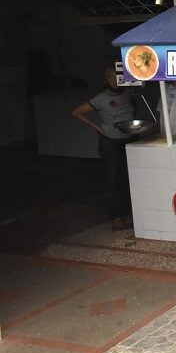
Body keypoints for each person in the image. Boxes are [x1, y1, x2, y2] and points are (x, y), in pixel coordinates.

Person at [72, 66, 138, 231]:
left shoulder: (128, 93)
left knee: (128, 176)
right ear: (105, 81)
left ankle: (131, 212)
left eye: (117, 76)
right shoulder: (101, 98)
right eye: (111, 77)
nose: (114, 79)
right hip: (110, 141)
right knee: (112, 178)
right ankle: (115, 218)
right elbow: (77, 112)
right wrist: (96, 128)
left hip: (129, 138)